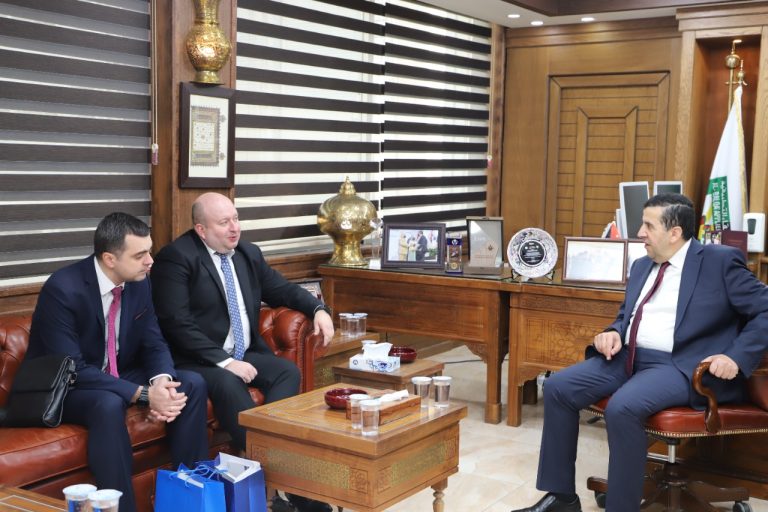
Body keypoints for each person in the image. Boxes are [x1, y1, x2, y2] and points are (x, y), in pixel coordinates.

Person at [513, 193, 768, 512]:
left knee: (624, 407)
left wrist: (735, 357)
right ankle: (561, 498)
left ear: (674, 232)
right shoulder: (642, 264)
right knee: (557, 387)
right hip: (627, 357)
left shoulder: (719, 262)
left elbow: (765, 309)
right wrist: (613, 332)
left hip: (679, 366)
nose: (640, 232)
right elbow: (627, 316)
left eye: (648, 225)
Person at [150, 192, 334, 512]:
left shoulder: (247, 253)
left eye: (236, 219)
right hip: (197, 358)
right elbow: (176, 322)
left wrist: (318, 309)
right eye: (224, 223)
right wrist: (225, 362)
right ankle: (285, 481)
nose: (234, 228)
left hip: (242, 351)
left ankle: (270, 460)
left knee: (286, 371)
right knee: (227, 382)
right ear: (201, 229)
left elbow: (281, 289)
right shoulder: (177, 258)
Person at [27, 213, 209, 512]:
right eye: (139, 255)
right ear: (110, 259)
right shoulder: (63, 288)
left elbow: (153, 341)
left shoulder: (139, 282)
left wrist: (161, 383)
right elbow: (72, 367)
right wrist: (144, 395)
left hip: (116, 373)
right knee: (108, 403)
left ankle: (191, 500)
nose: (150, 261)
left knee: (191, 383)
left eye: (149, 251)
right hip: (65, 386)